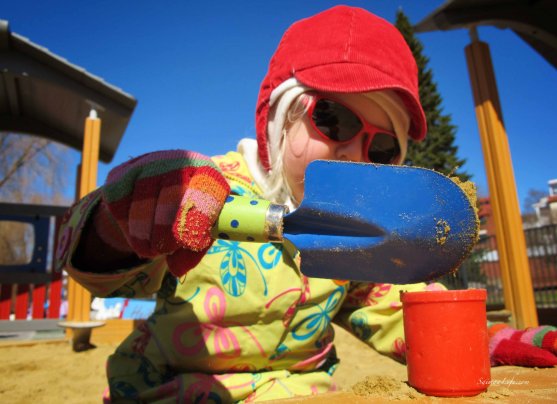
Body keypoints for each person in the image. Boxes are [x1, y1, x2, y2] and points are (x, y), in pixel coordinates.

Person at [57, 5, 557, 403]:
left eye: (383, 148)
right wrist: (119, 225)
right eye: (335, 120)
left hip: (304, 395)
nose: (355, 153)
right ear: (278, 120)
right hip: (165, 388)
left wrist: (485, 340)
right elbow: (98, 268)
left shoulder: (352, 237)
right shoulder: (200, 191)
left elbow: (390, 312)